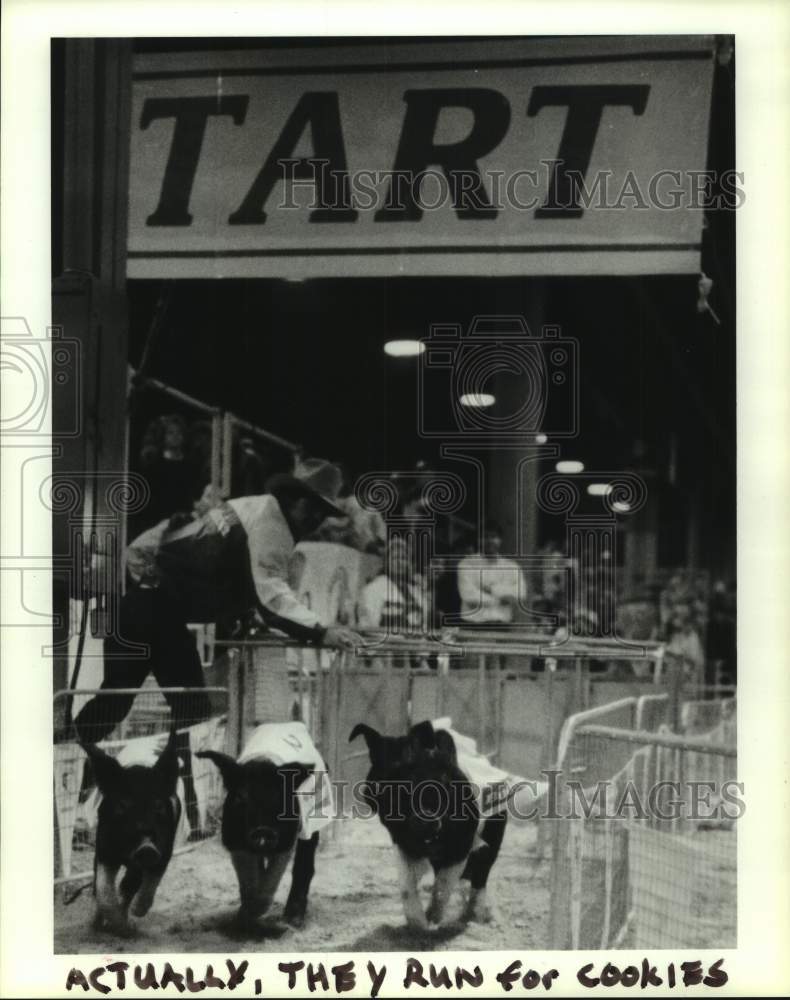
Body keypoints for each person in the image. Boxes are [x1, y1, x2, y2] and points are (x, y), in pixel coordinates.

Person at [74, 459, 362, 744]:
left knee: (118, 704)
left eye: (322, 513)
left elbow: (219, 572)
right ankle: (176, 777)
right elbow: (270, 593)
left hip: (147, 609)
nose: (315, 519)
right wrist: (322, 630)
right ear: (295, 498)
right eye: (312, 508)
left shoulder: (253, 508)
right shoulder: (271, 525)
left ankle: (65, 752)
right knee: (187, 712)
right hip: (155, 613)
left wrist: (240, 614)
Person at [456, 520, 526, 626]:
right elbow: (468, 595)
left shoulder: (512, 566)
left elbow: (521, 594)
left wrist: (492, 589)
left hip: (503, 624)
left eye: (494, 537)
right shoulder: (466, 564)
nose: (490, 541)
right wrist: (501, 600)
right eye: (485, 537)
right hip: (473, 624)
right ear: (479, 540)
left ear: (500, 540)